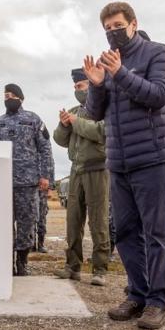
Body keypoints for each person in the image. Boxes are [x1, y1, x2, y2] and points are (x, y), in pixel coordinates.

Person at [83, 1, 165, 330]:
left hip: (152, 157)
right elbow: (95, 114)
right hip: (119, 161)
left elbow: (159, 95)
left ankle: (157, 300)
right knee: (125, 233)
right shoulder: (106, 63)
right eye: (107, 28)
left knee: (156, 233)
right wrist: (96, 84)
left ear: (133, 24)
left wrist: (120, 73)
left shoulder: (156, 52)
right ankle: (137, 293)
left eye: (118, 25)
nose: (113, 32)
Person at [0, 84, 52, 276]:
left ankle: (22, 263)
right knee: (3, 225)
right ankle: (6, 263)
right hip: (3, 183)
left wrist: (45, 175)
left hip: (27, 183)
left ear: (21, 99)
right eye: (6, 95)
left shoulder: (33, 120)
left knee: (26, 224)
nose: (9, 98)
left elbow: (45, 148)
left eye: (13, 95)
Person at [53, 68, 110, 285]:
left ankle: (100, 269)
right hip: (76, 170)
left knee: (98, 221)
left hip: (97, 169)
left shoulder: (104, 108)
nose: (77, 90)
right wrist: (64, 124)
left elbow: (101, 132)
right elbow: (59, 140)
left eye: (81, 86)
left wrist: (76, 122)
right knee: (73, 220)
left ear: (92, 85)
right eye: (76, 87)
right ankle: (72, 266)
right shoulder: (74, 110)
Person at [34, 128, 55, 254]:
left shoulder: (46, 151)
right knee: (31, 217)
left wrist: (51, 187)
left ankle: (40, 243)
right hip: (29, 185)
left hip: (42, 187)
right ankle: (31, 243)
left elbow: (51, 166)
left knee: (41, 216)